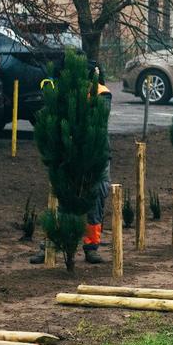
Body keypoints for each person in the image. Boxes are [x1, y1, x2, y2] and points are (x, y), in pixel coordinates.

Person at [30, 62, 111, 265]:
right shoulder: (62, 92)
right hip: (67, 155)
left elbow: (96, 120)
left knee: (96, 197)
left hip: (96, 155)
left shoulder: (101, 93)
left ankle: (91, 247)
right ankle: (50, 245)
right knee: (62, 201)